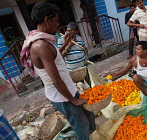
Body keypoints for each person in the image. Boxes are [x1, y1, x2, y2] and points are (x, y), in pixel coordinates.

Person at [20, 2, 95, 140]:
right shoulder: (41, 45)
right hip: (62, 96)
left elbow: (55, 58)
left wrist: (65, 44)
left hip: (68, 90)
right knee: (81, 123)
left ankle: (91, 135)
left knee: (88, 114)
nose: (57, 24)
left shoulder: (45, 41)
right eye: (55, 20)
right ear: (46, 20)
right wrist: (73, 100)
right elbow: (55, 80)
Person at [57, 22, 91, 86]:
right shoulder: (61, 40)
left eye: (74, 33)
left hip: (83, 67)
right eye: (70, 33)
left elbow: (85, 48)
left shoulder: (79, 38)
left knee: (91, 84)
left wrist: (86, 58)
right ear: (67, 31)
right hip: (74, 70)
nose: (72, 35)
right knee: (80, 87)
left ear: (77, 32)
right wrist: (69, 45)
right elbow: (61, 56)